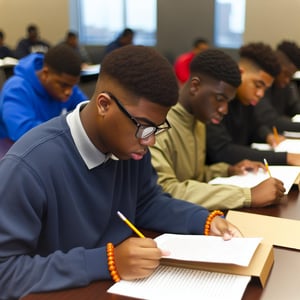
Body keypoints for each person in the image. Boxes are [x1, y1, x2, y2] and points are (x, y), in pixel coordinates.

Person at [0, 45, 242, 299]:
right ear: (104, 105)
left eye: (157, 129)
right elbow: (5, 271)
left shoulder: (130, 147)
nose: (150, 141)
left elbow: (146, 202)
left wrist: (203, 221)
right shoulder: (28, 167)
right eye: (144, 127)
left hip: (119, 284)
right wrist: (108, 262)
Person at [150, 49, 285, 210]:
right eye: (220, 99)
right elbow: (165, 190)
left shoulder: (198, 120)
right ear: (195, 86)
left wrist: (228, 170)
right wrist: (247, 195)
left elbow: (195, 176)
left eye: (228, 101)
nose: (224, 110)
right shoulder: (158, 125)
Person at [205, 42, 300, 166]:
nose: (260, 94)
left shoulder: (246, 100)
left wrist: (267, 136)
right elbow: (223, 151)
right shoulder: (216, 100)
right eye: (258, 85)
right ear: (241, 72)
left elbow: (255, 127)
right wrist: (284, 158)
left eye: (264, 89)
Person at [0, 44, 88, 141]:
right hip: (11, 149)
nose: (69, 92)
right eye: (63, 85)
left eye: (73, 86)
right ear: (45, 74)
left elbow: (87, 114)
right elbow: (23, 134)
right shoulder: (16, 88)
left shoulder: (67, 85)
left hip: (50, 144)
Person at [253, 40, 300, 143]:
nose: (287, 80)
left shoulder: (285, 86)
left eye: (291, 76)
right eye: (286, 74)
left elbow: (295, 108)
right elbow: (270, 121)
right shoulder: (263, 85)